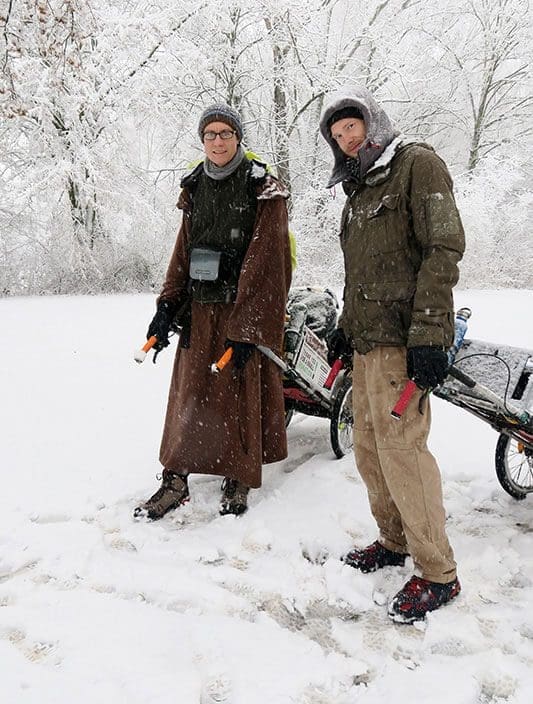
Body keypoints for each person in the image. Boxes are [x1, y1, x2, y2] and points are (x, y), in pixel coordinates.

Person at [319, 85, 465, 623]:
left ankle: (437, 572)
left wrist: (430, 333)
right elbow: (363, 274)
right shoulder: (357, 191)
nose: (346, 138)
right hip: (367, 344)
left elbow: (443, 248)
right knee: (369, 452)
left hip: (404, 344)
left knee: (404, 453)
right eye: (337, 136)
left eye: (351, 127)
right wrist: (344, 327)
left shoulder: (417, 166)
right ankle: (393, 539)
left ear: (372, 123)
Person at [134, 103, 292, 520]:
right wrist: (167, 306)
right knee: (190, 394)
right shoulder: (195, 185)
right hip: (199, 310)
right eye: (210, 135)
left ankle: (237, 476)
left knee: (238, 395)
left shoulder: (262, 187)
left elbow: (269, 260)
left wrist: (248, 326)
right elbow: (184, 250)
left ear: (239, 138)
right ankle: (175, 479)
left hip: (242, 310)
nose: (218, 141)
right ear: (202, 140)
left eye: (225, 133)